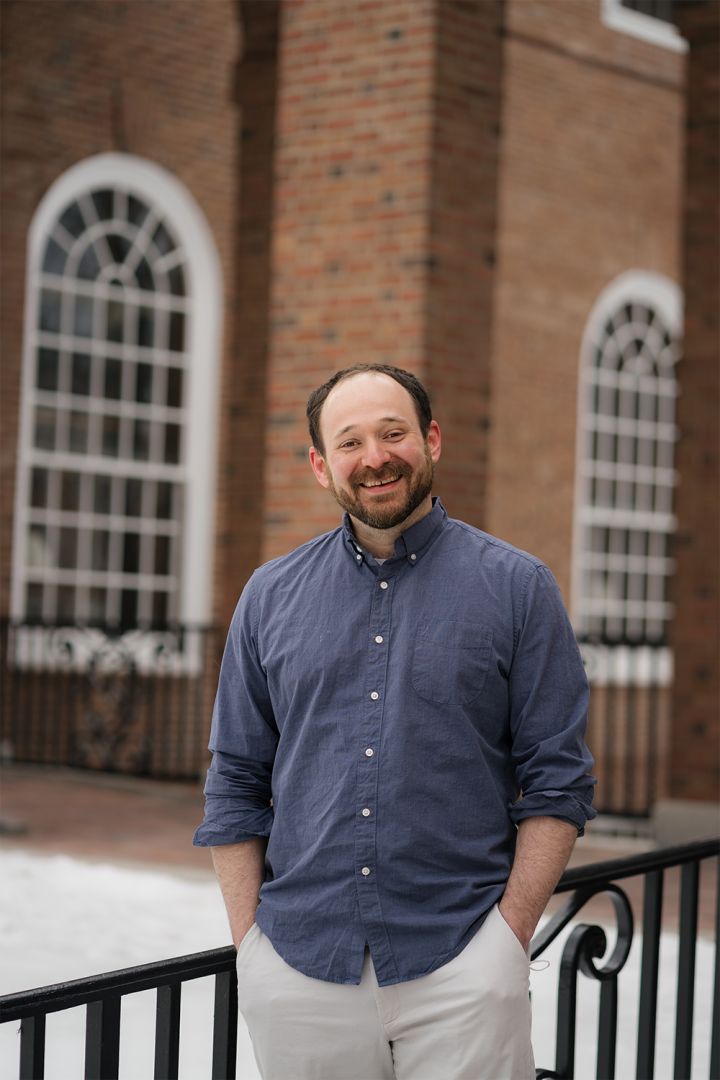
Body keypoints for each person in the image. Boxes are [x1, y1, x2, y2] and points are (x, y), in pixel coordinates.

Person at [193, 363, 596, 1080]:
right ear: (321, 466)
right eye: (348, 442)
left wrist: (509, 939)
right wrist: (250, 945)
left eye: (392, 432)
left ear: (431, 439)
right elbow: (236, 779)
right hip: (300, 968)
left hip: (463, 962)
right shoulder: (268, 596)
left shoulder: (518, 588)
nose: (374, 456)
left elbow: (558, 779)